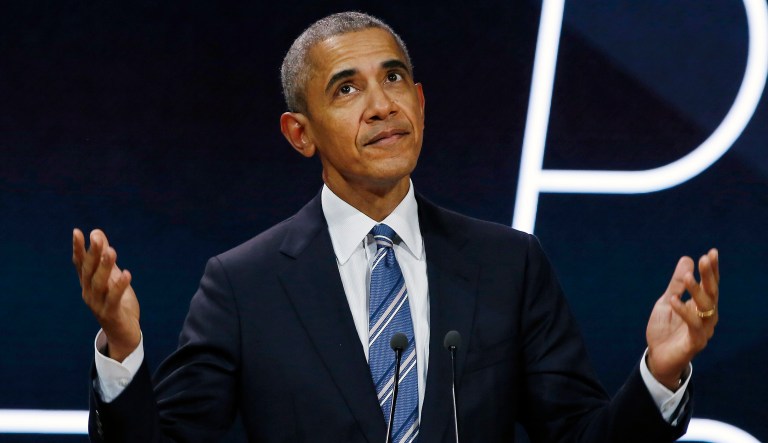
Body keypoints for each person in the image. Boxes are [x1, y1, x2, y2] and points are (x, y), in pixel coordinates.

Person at [72, 11, 720, 442]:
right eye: (347, 89)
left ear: (421, 102)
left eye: (394, 78)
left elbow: (582, 436)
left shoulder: (508, 264)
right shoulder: (244, 284)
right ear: (300, 134)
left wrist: (658, 375)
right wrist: (123, 351)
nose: (382, 105)